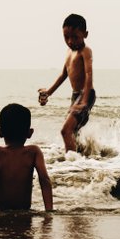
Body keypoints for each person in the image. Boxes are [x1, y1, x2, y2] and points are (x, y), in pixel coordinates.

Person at [0, 103, 53, 211]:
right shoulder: (34, 152)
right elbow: (44, 180)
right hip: (24, 213)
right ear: (30, 133)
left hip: (0, 212)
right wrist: (49, 211)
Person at [38, 14, 96, 153]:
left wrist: (85, 100)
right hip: (75, 95)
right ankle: (82, 155)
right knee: (73, 132)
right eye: (66, 37)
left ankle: (72, 163)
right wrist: (49, 92)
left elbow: (89, 75)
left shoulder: (85, 51)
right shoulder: (69, 52)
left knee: (65, 130)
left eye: (75, 37)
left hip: (85, 95)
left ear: (85, 34)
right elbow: (64, 74)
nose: (70, 41)